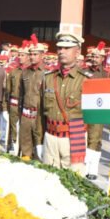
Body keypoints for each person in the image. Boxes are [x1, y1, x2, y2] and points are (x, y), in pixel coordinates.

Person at [40, 32, 90, 171]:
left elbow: (93, 117)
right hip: (50, 137)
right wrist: (40, 141)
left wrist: (92, 146)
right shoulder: (49, 78)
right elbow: (41, 112)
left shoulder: (86, 80)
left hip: (73, 137)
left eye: (67, 48)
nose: (62, 51)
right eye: (60, 48)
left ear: (77, 51)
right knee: (48, 178)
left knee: (72, 182)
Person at [84, 41, 110, 180]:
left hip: (98, 110)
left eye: (97, 57)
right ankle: (84, 165)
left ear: (102, 59)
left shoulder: (107, 73)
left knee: (95, 139)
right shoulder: (83, 71)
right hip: (83, 110)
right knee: (84, 138)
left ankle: (92, 168)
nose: (94, 59)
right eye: (93, 56)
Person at [19, 39, 46, 161]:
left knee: (39, 143)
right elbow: (21, 93)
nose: (32, 57)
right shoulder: (25, 72)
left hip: (39, 115)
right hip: (25, 113)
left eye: (35, 54)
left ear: (42, 55)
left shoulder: (47, 73)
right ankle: (25, 163)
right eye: (30, 54)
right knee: (25, 141)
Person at [3, 44, 28, 154]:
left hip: (26, 104)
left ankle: (23, 149)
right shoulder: (13, 71)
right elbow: (7, 90)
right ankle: (12, 145)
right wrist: (4, 106)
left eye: (23, 55)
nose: (20, 57)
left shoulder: (31, 71)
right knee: (13, 126)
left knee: (24, 128)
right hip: (14, 103)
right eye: (20, 55)